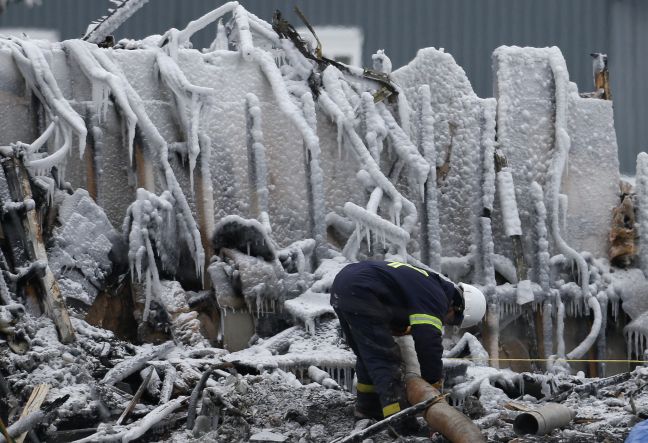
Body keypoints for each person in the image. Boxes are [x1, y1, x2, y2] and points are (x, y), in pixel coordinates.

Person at [330, 259, 486, 423]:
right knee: (387, 360)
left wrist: (399, 324)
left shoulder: (429, 283)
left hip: (344, 285)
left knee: (368, 355)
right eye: (453, 321)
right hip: (362, 291)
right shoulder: (436, 298)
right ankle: (398, 421)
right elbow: (427, 342)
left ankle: (367, 409)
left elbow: (395, 297)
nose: (446, 323)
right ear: (456, 307)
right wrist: (433, 381)